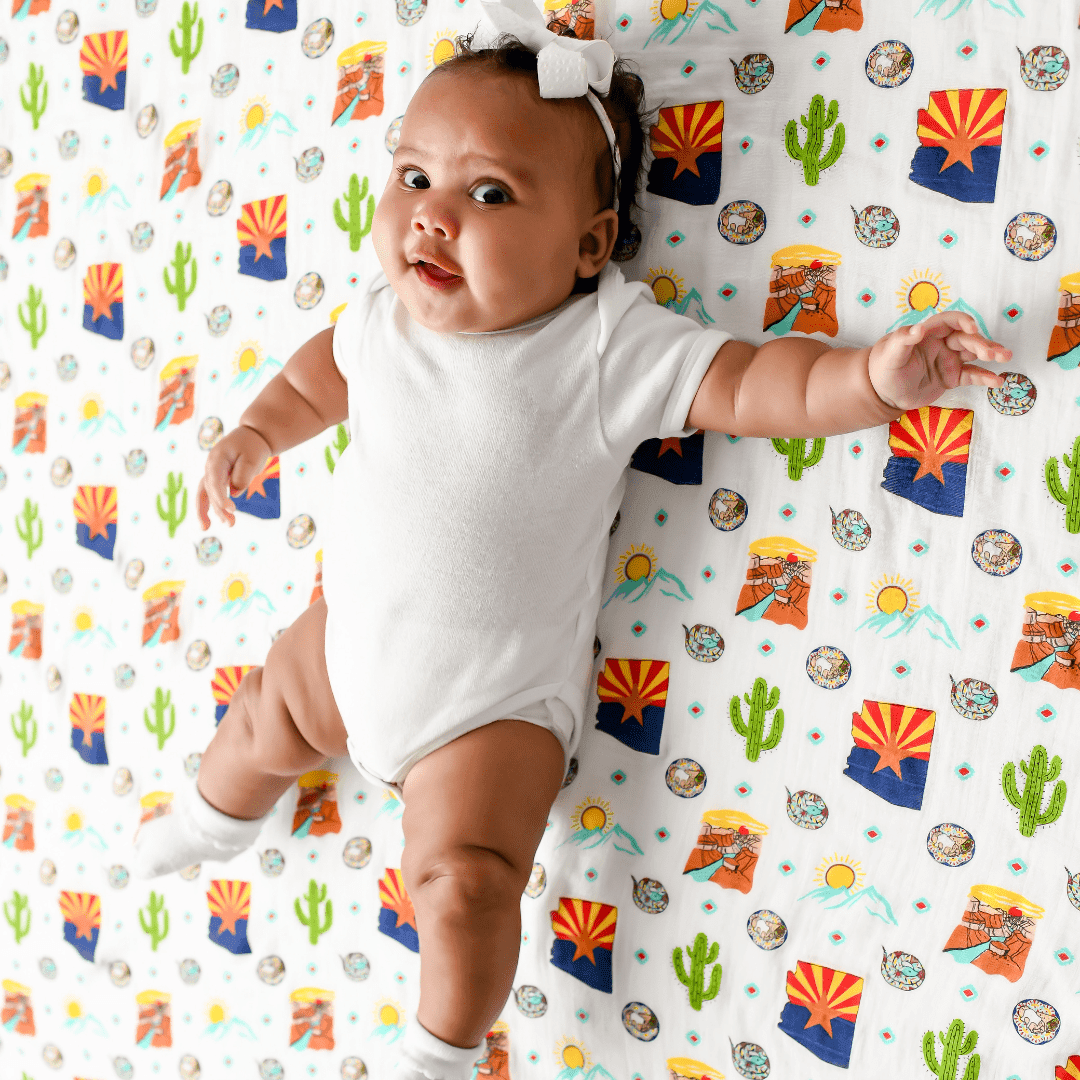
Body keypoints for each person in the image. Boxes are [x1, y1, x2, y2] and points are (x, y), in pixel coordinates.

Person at [130, 1, 1009, 1076]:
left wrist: (869, 379)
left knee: (465, 879)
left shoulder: (603, 344)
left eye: (487, 194)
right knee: (261, 713)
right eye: (413, 177)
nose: (430, 217)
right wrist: (259, 431)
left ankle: (442, 1048)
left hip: (489, 705)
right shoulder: (380, 319)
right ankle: (218, 821)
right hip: (341, 644)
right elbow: (321, 373)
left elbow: (749, 381)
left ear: (589, 246)